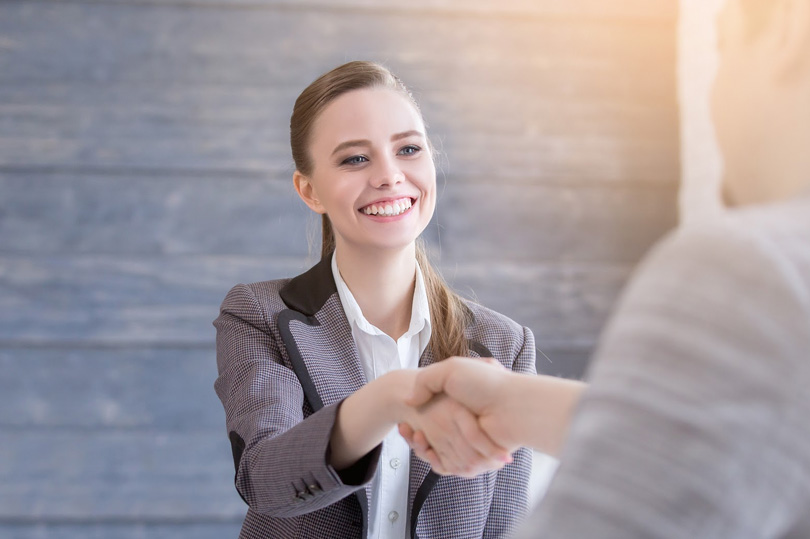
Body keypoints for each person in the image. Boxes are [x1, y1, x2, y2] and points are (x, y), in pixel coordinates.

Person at [404, 0, 810, 536]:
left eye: (723, 49)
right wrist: (511, 403)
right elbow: (721, 437)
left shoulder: (751, 271)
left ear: (784, 28)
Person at [213, 60, 539, 539]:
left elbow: (503, 529)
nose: (390, 176)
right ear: (310, 190)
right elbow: (267, 481)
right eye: (354, 159)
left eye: (408, 149)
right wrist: (391, 397)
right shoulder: (258, 315)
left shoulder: (504, 344)